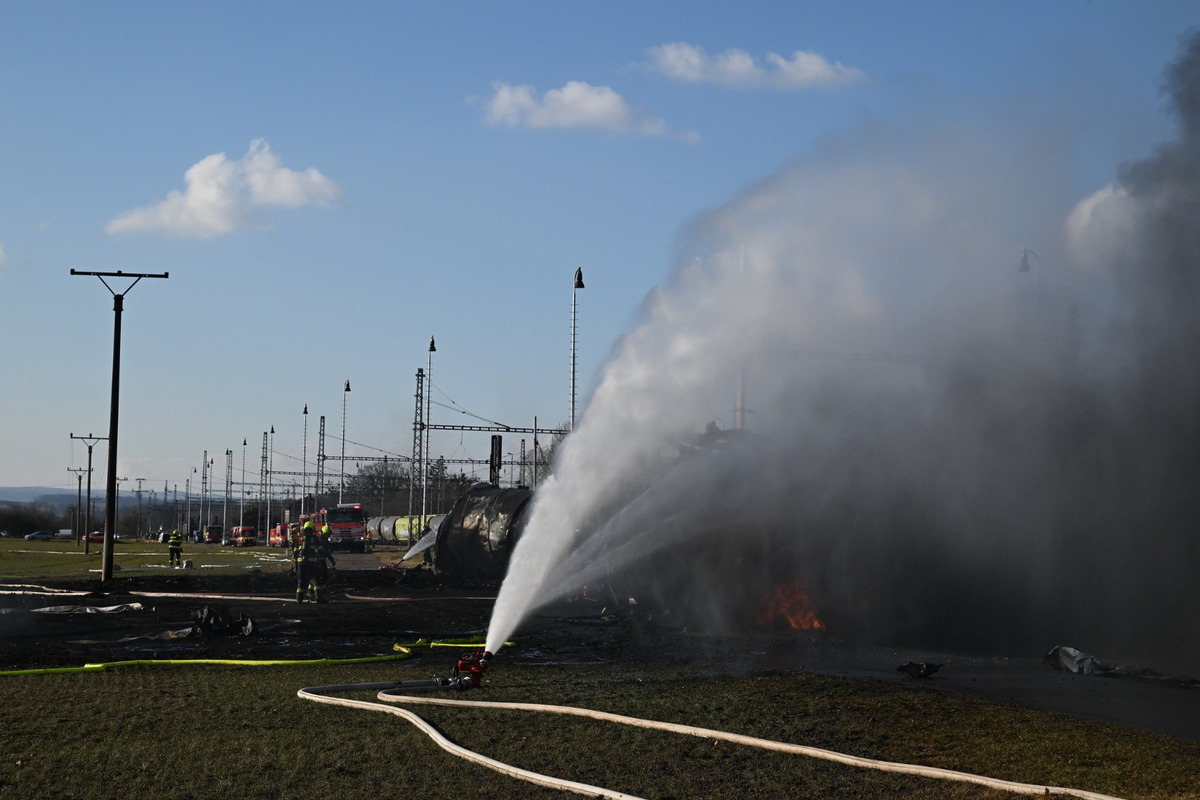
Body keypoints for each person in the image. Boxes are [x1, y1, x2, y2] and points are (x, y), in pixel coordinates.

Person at [295, 521, 336, 602]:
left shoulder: (300, 538)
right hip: (311, 563)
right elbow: (320, 550)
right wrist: (321, 561)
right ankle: (319, 597)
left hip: (300, 563)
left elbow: (295, 551)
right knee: (315, 579)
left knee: (301, 581)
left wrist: (297, 563)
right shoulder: (314, 538)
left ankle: (299, 599)